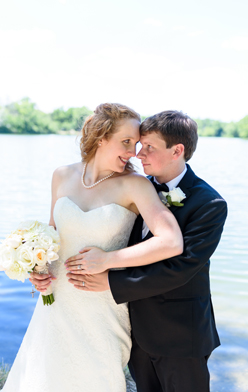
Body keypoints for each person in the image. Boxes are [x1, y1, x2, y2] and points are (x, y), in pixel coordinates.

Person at [3, 103, 184, 391]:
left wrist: (108, 260)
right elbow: (51, 236)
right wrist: (39, 270)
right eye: (126, 142)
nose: (133, 152)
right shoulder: (61, 175)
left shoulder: (135, 185)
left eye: (136, 144)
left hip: (102, 309)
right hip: (56, 302)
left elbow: (171, 242)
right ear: (101, 137)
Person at [64, 110, 228, 392]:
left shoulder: (209, 203)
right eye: (139, 146)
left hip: (181, 336)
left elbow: (181, 268)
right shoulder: (136, 189)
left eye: (149, 147)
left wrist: (111, 282)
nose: (139, 155)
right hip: (135, 332)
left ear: (177, 150)